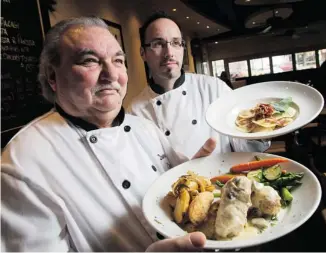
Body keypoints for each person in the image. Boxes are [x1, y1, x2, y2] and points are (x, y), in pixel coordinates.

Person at [1, 17, 216, 252]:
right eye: (90, 61)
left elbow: (177, 196)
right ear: (53, 77)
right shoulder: (23, 162)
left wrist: (194, 177)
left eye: (118, 60)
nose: (112, 75)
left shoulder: (144, 128)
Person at [128, 12, 270, 158]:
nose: (169, 52)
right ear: (143, 53)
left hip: (225, 178)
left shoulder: (214, 88)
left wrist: (261, 125)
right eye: (158, 44)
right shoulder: (136, 112)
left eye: (176, 43)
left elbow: (245, 146)